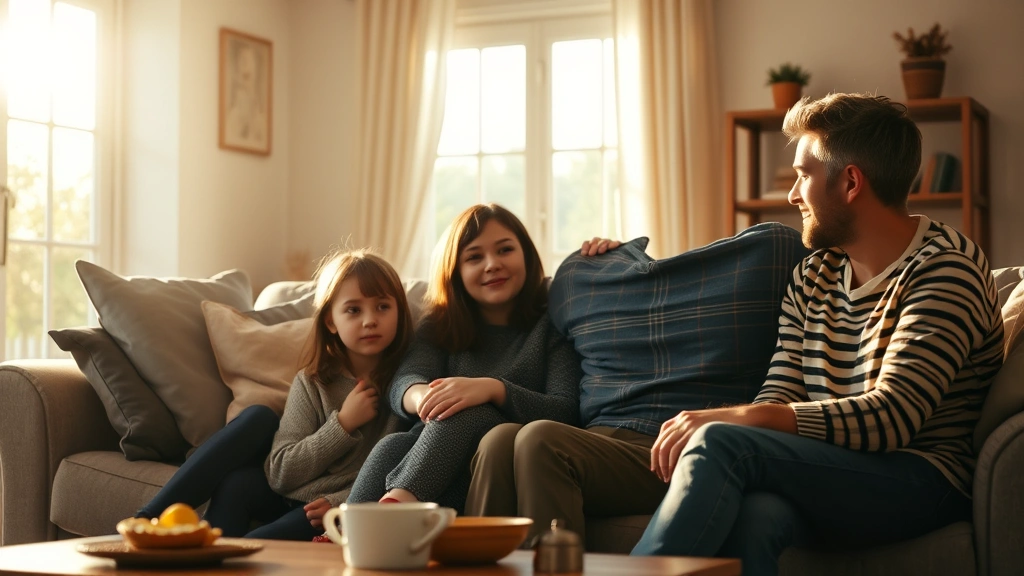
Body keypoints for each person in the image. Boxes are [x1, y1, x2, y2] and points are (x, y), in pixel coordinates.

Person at [345, 204, 609, 512]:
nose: (492, 264)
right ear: (455, 270)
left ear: (525, 254)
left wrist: (492, 390)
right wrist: (426, 397)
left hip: (502, 465)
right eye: (474, 257)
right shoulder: (439, 325)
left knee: (468, 409)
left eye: (505, 250)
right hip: (439, 460)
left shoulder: (552, 324)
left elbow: (564, 409)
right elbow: (402, 384)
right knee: (393, 444)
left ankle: (397, 506)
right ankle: (344, 535)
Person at [138, 248, 414, 540]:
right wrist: (342, 424)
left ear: (399, 312)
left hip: (325, 510)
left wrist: (343, 502)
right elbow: (281, 474)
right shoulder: (313, 383)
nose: (370, 320)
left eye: (382, 307)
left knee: (249, 552)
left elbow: (404, 469)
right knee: (239, 476)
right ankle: (145, 523)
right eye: (353, 310)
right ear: (331, 321)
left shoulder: (408, 389)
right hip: (285, 494)